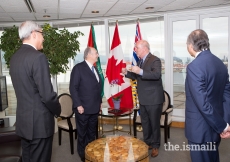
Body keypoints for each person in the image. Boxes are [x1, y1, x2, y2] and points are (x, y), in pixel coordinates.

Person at [9, 21, 61, 162]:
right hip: (39, 126)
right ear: (33, 34)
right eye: (41, 34)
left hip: (23, 124)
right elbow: (48, 95)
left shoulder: (14, 58)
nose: (43, 38)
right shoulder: (38, 57)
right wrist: (58, 110)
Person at [185, 29, 230, 162]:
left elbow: (202, 103)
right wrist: (224, 123)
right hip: (215, 127)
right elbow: (227, 95)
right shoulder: (220, 64)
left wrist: (223, 126)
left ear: (190, 46)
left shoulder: (194, 66)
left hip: (200, 130)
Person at [122, 40, 165, 157]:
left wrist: (140, 70)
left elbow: (156, 75)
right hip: (144, 98)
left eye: (137, 48)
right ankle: (148, 142)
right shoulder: (141, 61)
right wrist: (126, 73)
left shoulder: (155, 59)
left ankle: (155, 146)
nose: (135, 50)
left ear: (144, 48)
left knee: (154, 124)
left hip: (154, 99)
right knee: (145, 122)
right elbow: (136, 76)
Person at [69, 47, 102, 162]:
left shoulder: (95, 69)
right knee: (82, 133)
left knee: (92, 132)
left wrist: (100, 103)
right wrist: (78, 105)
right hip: (82, 108)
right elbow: (73, 88)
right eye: (96, 53)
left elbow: (97, 88)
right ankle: (83, 156)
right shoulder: (78, 68)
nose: (97, 55)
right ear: (89, 55)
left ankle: (90, 152)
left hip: (94, 107)